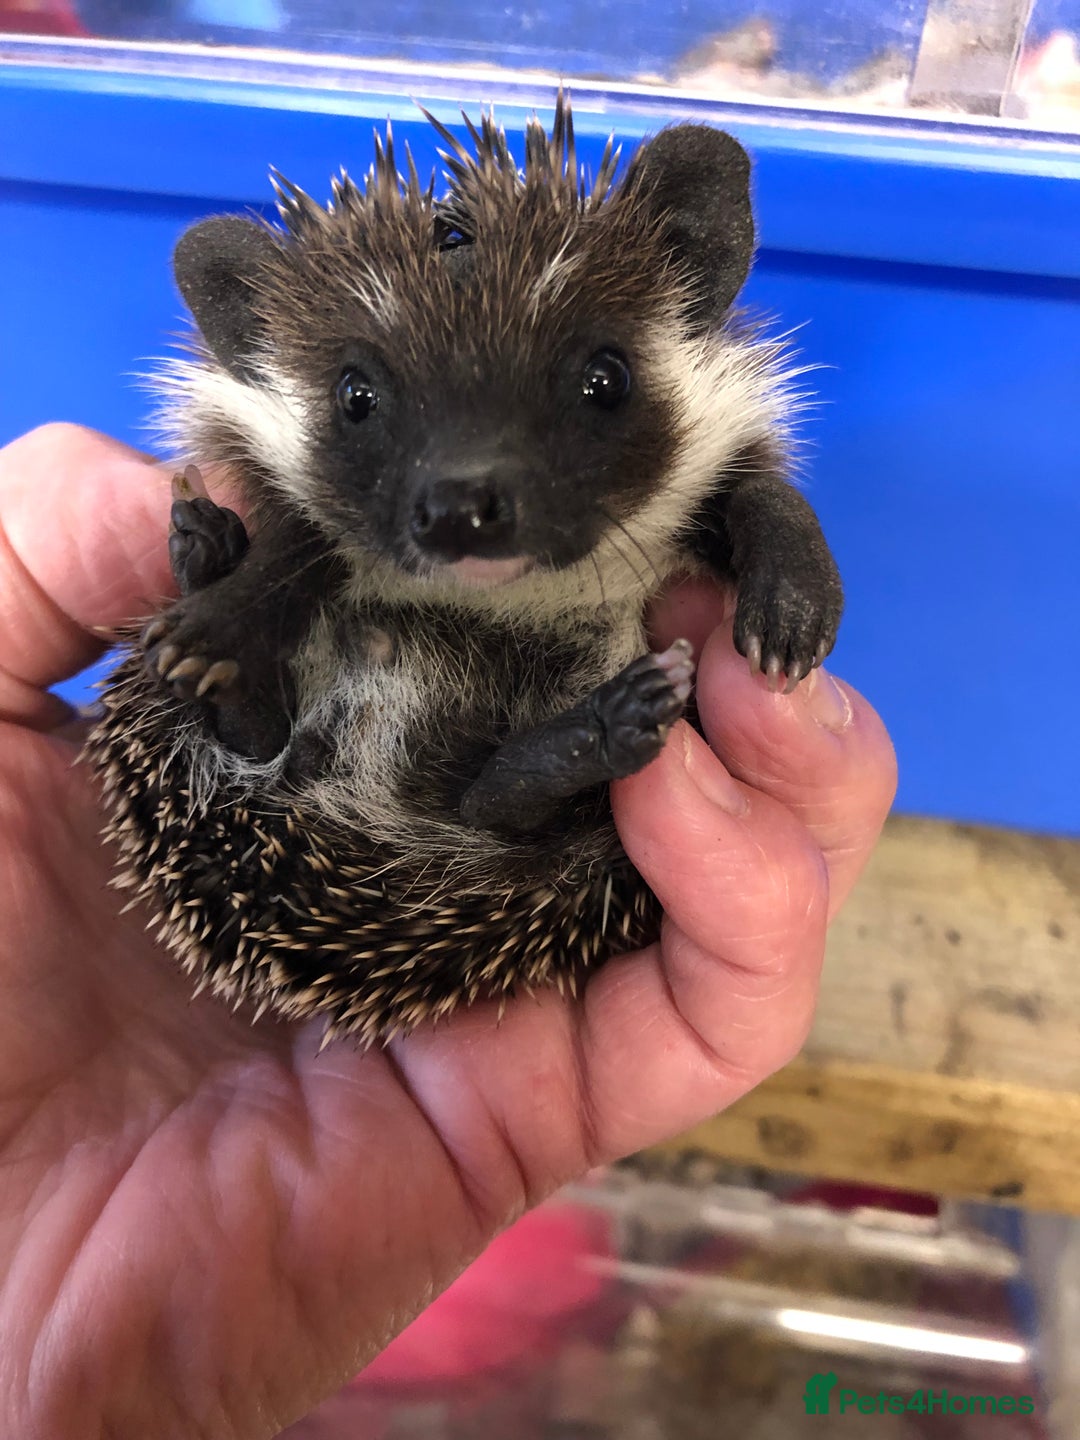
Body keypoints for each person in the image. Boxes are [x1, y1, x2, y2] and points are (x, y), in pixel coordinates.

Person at [0, 423, 896, 1439]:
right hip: (421, 786)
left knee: (273, 682)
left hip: (348, 746)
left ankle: (266, 692)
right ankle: (511, 744)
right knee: (489, 801)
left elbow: (741, 496)